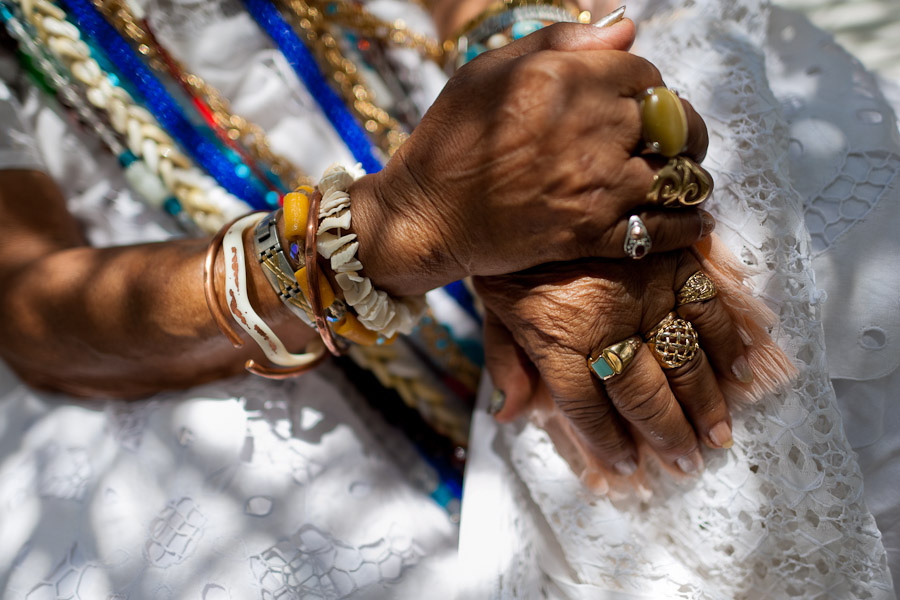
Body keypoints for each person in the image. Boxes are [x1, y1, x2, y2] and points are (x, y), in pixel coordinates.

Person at [0, 0, 895, 599]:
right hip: (200, 330)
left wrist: (564, 159)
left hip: (484, 101)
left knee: (785, 241)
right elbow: (30, 306)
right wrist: (403, 231)